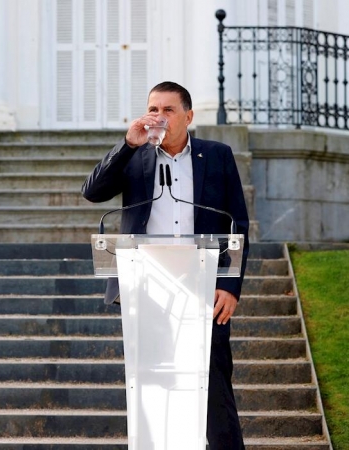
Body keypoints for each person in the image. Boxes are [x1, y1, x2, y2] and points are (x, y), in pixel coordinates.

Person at [82, 81, 249, 449]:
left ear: (188, 116)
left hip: (204, 286)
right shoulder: (135, 156)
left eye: (168, 110)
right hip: (147, 290)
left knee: (215, 391)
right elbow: (92, 192)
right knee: (153, 390)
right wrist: (127, 144)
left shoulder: (217, 155)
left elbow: (238, 223)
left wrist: (230, 285)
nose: (158, 117)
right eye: (152, 109)